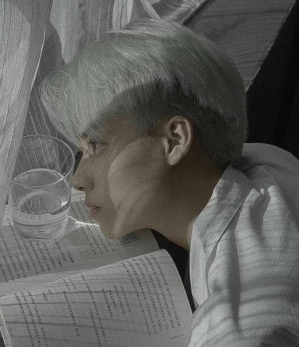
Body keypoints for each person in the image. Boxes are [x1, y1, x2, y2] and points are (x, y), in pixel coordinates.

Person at [41, 18, 299, 346]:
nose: (77, 180)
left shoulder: (240, 324)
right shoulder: (268, 164)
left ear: (175, 140)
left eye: (96, 146)